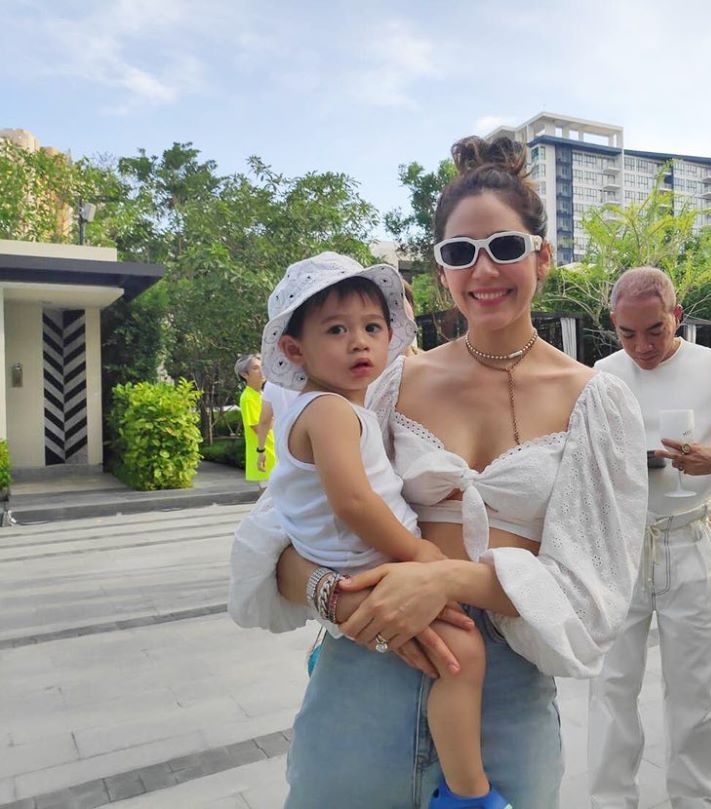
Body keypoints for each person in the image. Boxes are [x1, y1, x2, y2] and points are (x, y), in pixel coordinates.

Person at [229, 134, 648, 809]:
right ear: (441, 270)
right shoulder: (384, 384)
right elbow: (273, 539)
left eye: (504, 247)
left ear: (542, 255)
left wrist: (447, 577)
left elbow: (595, 594)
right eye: (460, 252)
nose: (484, 270)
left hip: (504, 692)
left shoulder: (596, 401)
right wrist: (336, 597)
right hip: (367, 666)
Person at [261, 252, 506, 808]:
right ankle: (469, 793)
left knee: (451, 652)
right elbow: (353, 502)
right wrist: (418, 552)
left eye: (372, 328)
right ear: (294, 350)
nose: (359, 343)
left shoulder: (337, 408)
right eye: (336, 330)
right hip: (365, 565)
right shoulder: (330, 412)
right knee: (463, 654)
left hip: (356, 564)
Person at [587, 267, 711, 809]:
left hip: (688, 538)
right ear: (613, 325)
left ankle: (700, 801)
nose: (642, 346)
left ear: (676, 316)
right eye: (627, 333)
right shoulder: (601, 374)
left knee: (696, 689)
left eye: (654, 330)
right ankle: (611, 802)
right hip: (621, 543)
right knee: (611, 686)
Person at [235, 354, 274, 485]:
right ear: (244, 374)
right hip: (264, 453)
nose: (262, 370)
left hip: (273, 451)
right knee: (267, 493)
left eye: (262, 366)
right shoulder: (248, 398)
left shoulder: (261, 394)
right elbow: (258, 427)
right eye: (256, 368)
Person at [255, 380, 298, 470]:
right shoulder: (316, 378)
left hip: (283, 444)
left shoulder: (272, 384)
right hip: (313, 441)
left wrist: (261, 450)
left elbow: (264, 421)